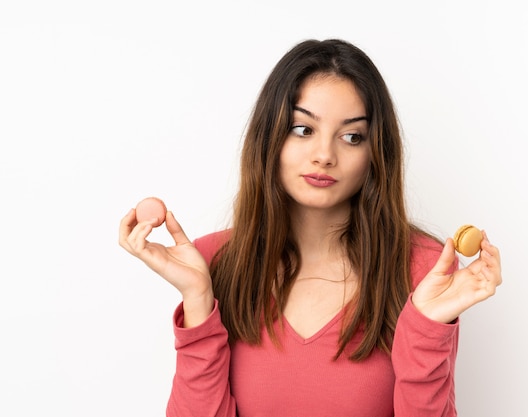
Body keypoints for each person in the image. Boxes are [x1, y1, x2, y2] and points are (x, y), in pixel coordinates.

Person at [119, 38, 502, 417]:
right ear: (270, 136)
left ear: (375, 154)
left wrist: (426, 330)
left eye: (352, 137)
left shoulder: (424, 269)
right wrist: (199, 298)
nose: (324, 155)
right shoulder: (213, 262)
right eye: (303, 130)